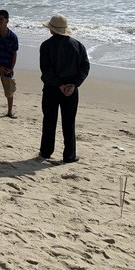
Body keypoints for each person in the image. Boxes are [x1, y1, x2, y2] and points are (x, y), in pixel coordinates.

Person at [39, 14, 90, 163]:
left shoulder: (46, 45)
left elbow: (46, 69)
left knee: (49, 121)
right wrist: (74, 84)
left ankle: (46, 151)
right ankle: (69, 155)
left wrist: (59, 84)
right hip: (71, 90)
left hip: (51, 88)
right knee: (69, 123)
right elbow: (85, 67)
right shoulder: (78, 45)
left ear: (52, 30)